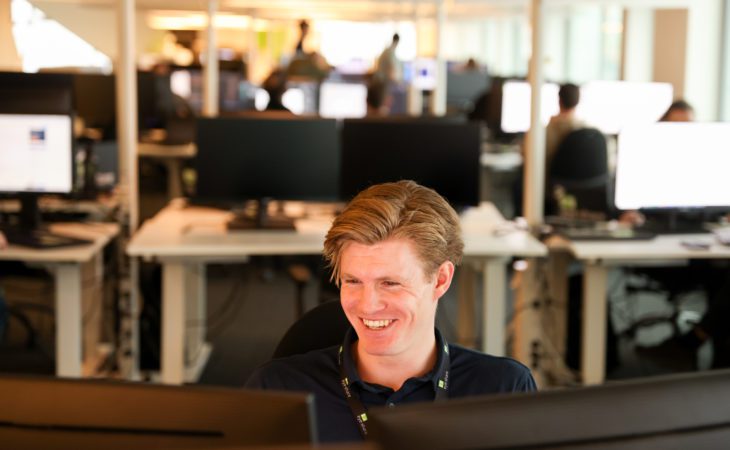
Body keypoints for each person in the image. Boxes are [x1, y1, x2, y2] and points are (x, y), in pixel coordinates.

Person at [246, 180, 536, 443]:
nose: (368, 304)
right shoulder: (277, 388)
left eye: (390, 283)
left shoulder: (502, 388)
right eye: (353, 281)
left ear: (441, 280)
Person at [545, 83, 583, 168]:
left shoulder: (547, 132)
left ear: (559, 100)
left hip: (553, 180)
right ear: (578, 101)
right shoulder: (591, 131)